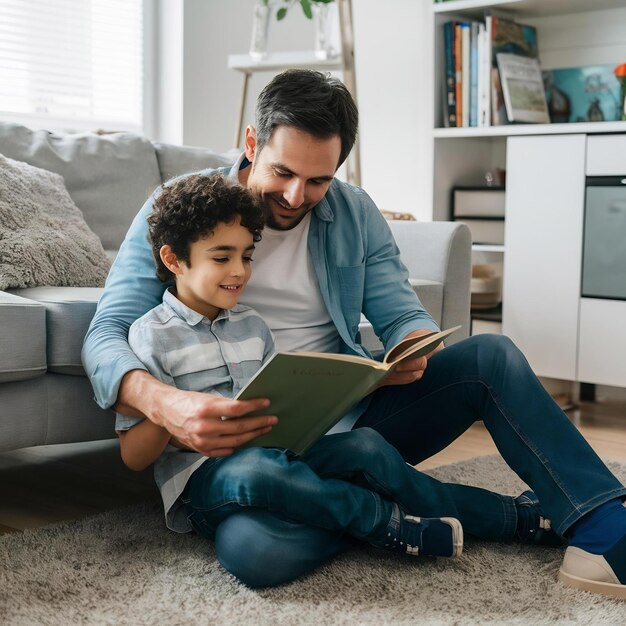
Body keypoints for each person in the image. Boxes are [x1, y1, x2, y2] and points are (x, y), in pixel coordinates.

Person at [83, 70, 626, 598]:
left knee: (494, 357)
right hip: (242, 451)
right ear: (251, 142)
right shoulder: (183, 209)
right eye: (282, 172)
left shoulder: (354, 212)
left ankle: (604, 527)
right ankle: (405, 511)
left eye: (318, 179)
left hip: (351, 428)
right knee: (259, 554)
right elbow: (105, 331)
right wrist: (163, 404)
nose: (296, 196)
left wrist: (410, 348)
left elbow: (401, 314)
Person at [117, 170, 468, 560]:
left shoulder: (252, 325)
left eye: (246, 256)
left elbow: (280, 409)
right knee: (256, 473)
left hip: (278, 459)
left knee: (365, 445)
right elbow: (132, 456)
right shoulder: (151, 335)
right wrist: (169, 415)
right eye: (221, 257)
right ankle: (385, 523)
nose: (238, 271)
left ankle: (511, 517)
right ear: (174, 259)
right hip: (205, 482)